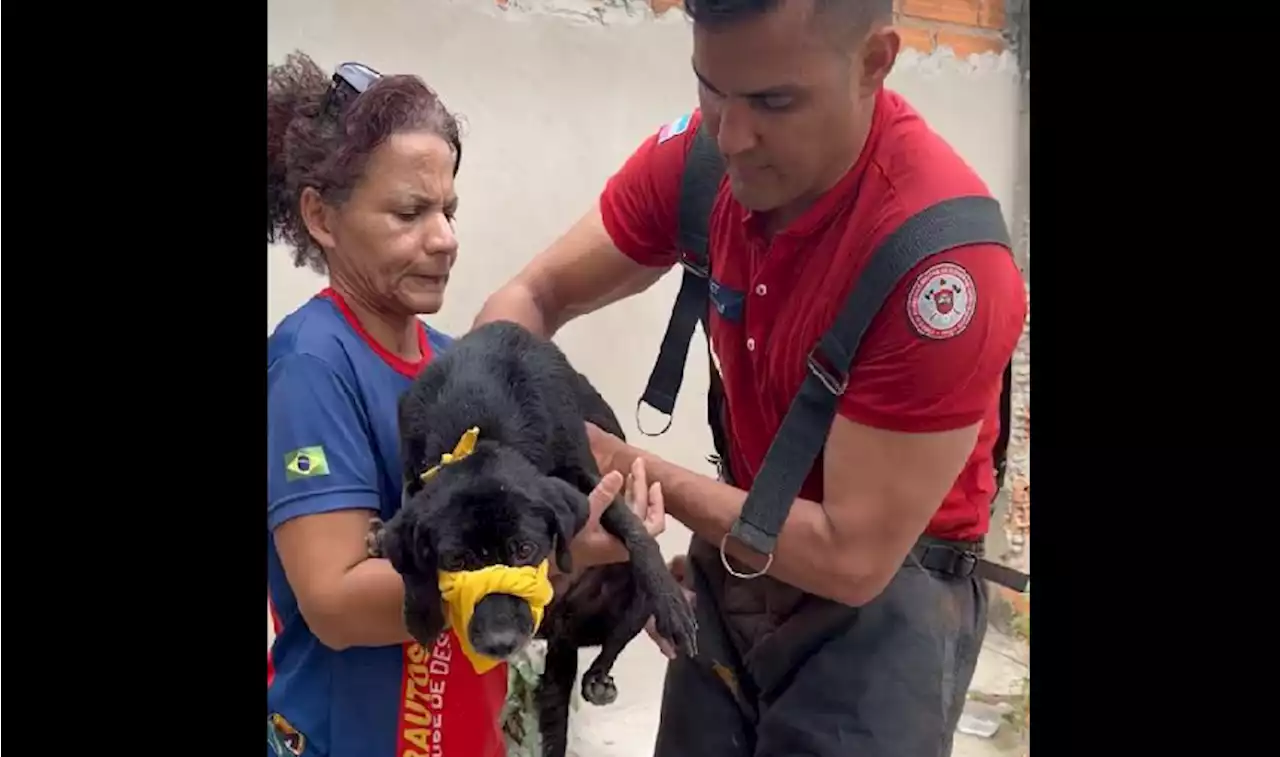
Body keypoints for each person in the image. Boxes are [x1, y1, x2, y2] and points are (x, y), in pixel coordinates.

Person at [473, 1, 1029, 756]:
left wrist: (612, 462)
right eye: (711, 87)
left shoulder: (941, 267)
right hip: (736, 549)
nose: (731, 135)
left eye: (773, 101)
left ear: (875, 62)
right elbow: (531, 296)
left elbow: (850, 558)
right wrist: (494, 450)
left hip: (886, 597)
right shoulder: (703, 162)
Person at [266, 52, 667, 757]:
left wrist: (608, 536)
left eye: (449, 208)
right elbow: (333, 603)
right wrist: (557, 556)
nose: (445, 237)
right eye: (409, 212)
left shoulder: (454, 367)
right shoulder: (313, 364)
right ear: (321, 216)